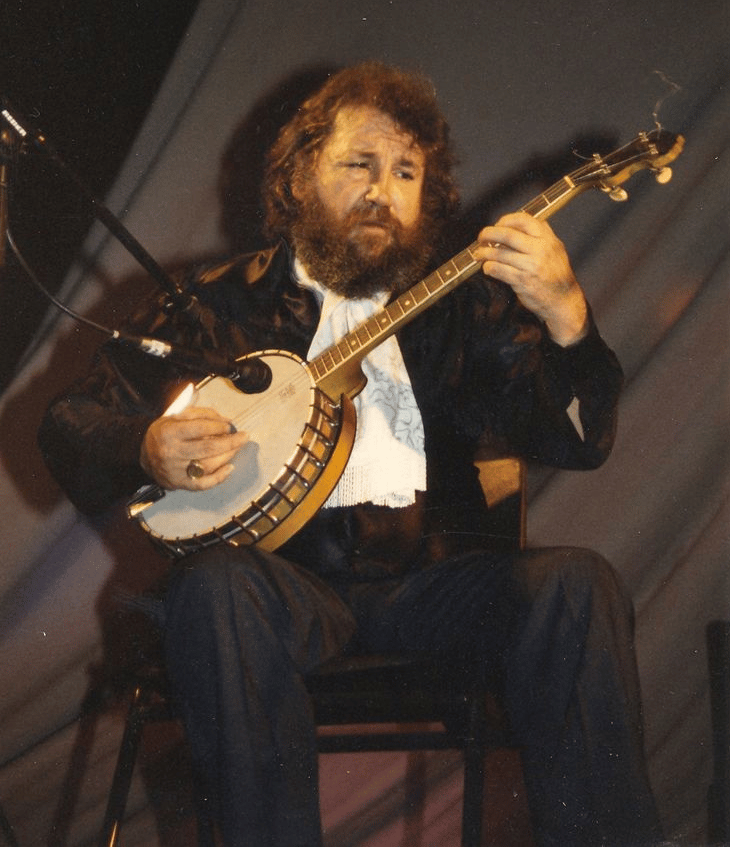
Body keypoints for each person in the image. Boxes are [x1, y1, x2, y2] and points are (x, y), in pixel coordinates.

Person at [39, 62, 664, 846]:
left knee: (576, 585)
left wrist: (567, 316)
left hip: (433, 588)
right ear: (298, 178)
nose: (382, 191)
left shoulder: (464, 305)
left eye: (405, 171)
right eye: (358, 164)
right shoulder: (217, 306)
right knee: (217, 587)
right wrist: (144, 444)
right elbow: (70, 422)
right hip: (278, 594)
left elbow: (576, 438)